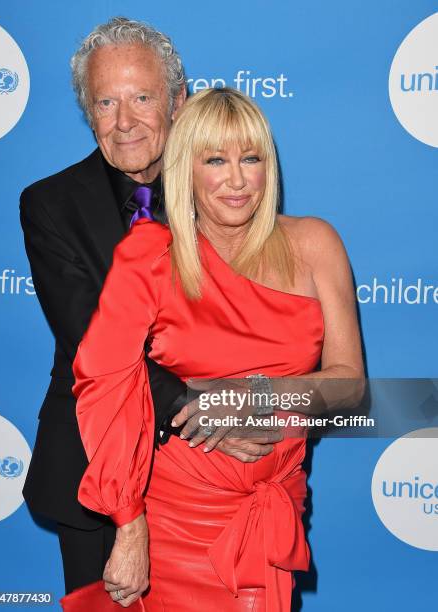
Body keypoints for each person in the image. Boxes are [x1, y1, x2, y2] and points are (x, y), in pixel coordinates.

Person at [72, 87, 364, 610]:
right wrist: (128, 527)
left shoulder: (315, 244)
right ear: (186, 168)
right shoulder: (148, 257)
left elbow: (350, 385)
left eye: (250, 158)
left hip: (270, 513)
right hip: (173, 523)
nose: (236, 180)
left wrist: (256, 395)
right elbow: (107, 386)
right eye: (215, 160)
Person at [20, 18, 277, 597]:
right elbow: (97, 345)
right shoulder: (49, 204)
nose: (125, 121)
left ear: (178, 100)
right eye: (106, 102)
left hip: (218, 478)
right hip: (98, 475)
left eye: (142, 97)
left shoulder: (223, 194)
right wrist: (204, 414)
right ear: (88, 112)